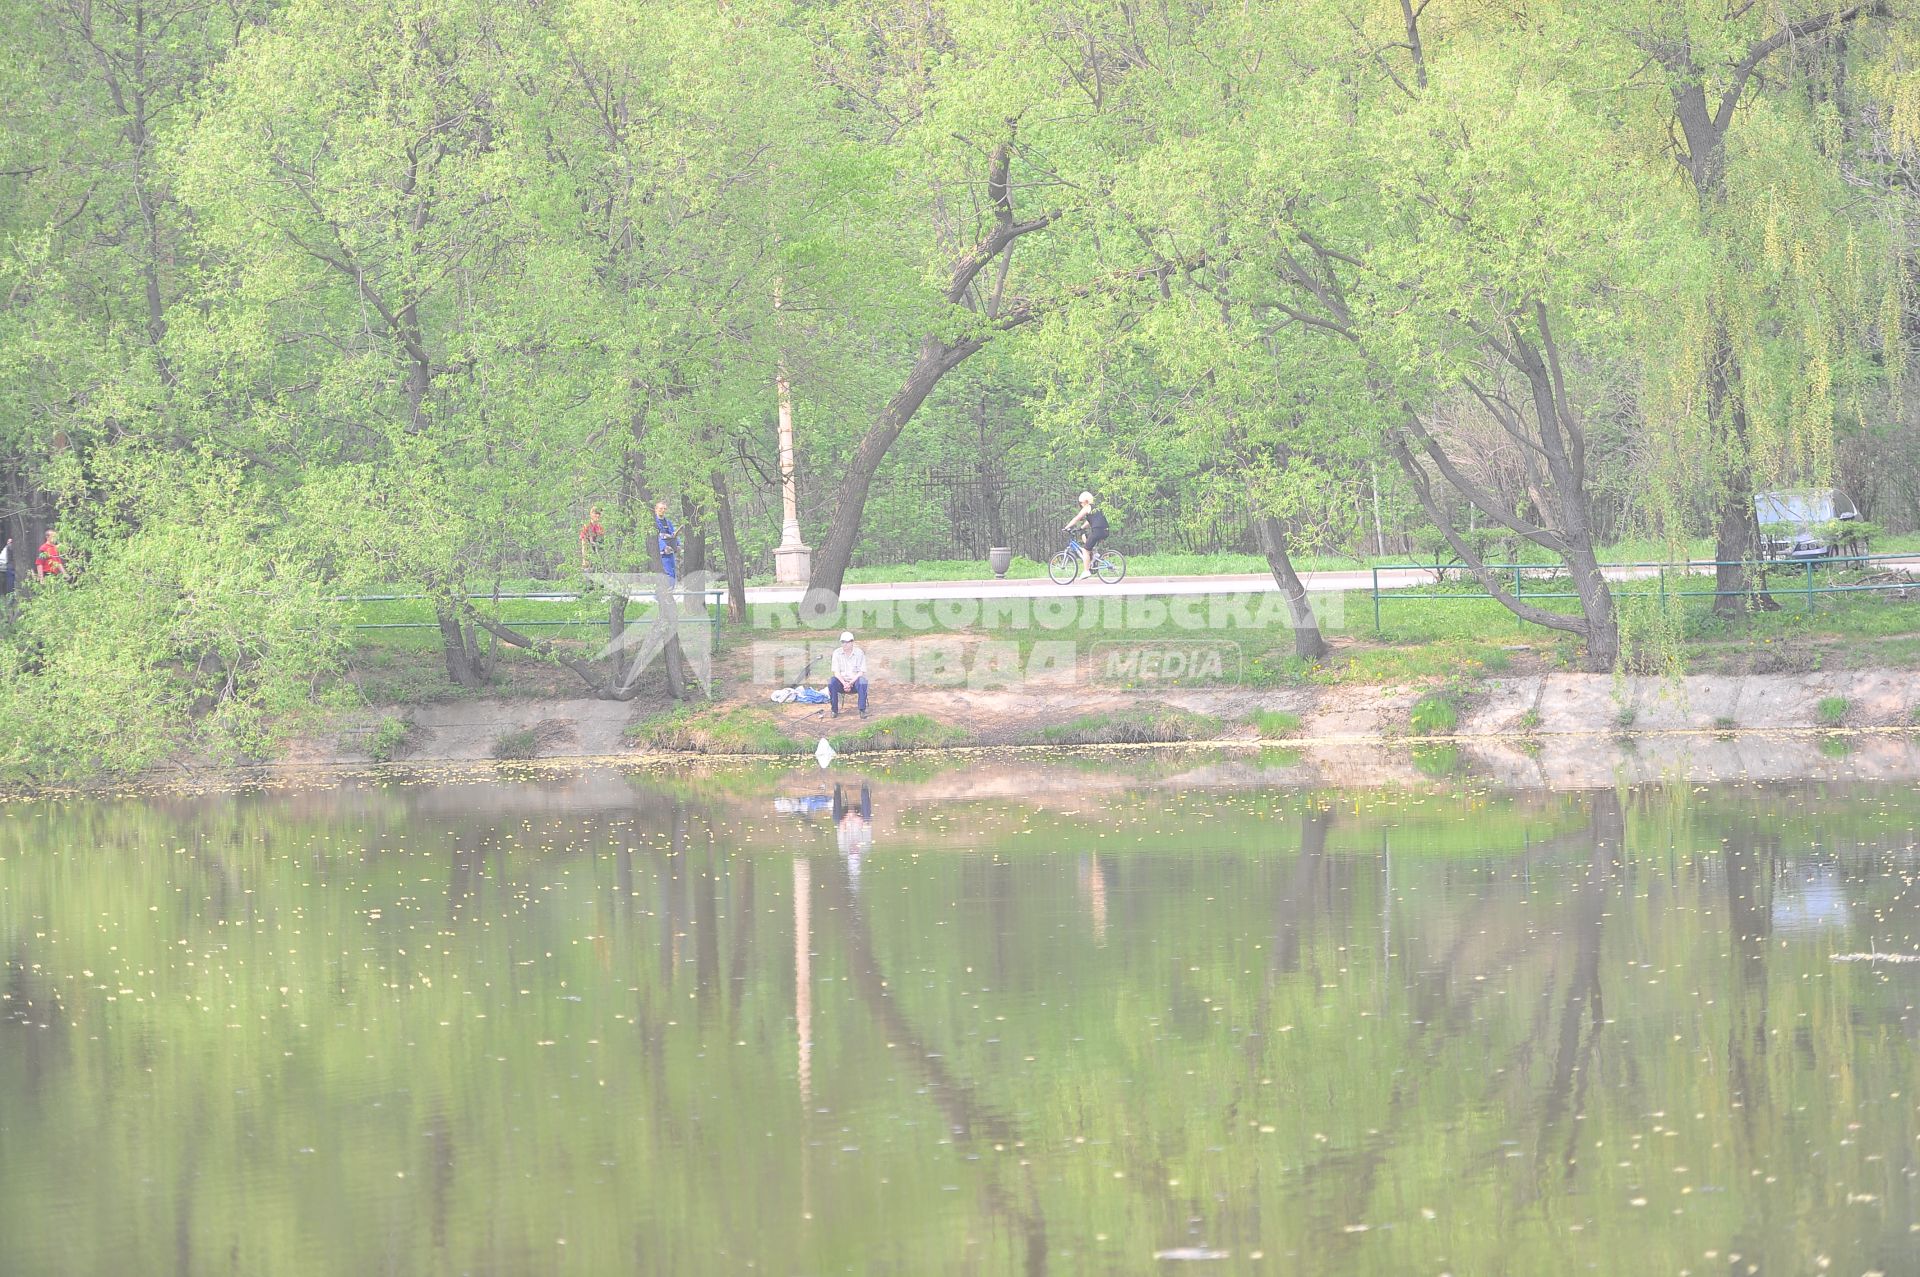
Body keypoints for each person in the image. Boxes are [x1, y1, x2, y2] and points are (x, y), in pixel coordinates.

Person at [1063, 491, 1109, 577]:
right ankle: (1095, 556)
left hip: (1097, 531)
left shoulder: (1087, 507)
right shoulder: (1096, 508)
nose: (1080, 504)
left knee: (1085, 550)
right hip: (1105, 531)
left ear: (1086, 501)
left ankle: (1086, 571)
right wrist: (1081, 528)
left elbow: (1077, 518)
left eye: (1081, 502)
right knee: (1087, 540)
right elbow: (1089, 521)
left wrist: (1066, 527)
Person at [830, 630, 869, 718]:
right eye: (843, 642)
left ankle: (862, 710)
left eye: (847, 642)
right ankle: (834, 710)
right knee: (832, 682)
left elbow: (861, 672)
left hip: (855, 682)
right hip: (842, 682)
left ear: (852, 642)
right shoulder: (837, 653)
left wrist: (850, 683)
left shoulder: (859, 653)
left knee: (862, 681)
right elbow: (836, 672)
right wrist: (844, 683)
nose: (845, 644)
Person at [653, 501, 679, 583]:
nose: (663, 510)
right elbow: (656, 537)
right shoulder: (653, 523)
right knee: (666, 574)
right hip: (661, 554)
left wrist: (678, 545)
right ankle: (664, 593)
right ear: (656, 509)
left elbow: (674, 534)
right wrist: (664, 547)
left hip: (670, 552)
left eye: (664, 509)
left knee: (672, 573)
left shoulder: (668, 523)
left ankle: (670, 592)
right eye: (661, 508)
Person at [578, 505, 604, 569]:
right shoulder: (587, 526)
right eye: (596, 513)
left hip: (598, 554)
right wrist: (585, 560)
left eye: (599, 514)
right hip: (589, 554)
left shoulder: (600, 527)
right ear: (591, 514)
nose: (597, 515)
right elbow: (584, 544)